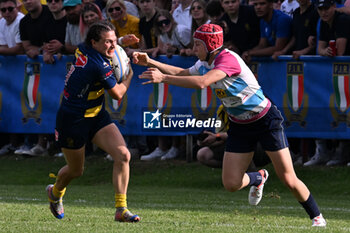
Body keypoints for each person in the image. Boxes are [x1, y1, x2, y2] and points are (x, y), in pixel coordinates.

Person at [133, 23, 326, 227]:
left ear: (210, 45)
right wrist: (150, 62)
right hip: (239, 125)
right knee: (231, 184)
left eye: (197, 44)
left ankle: (317, 217)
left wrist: (162, 78)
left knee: (288, 178)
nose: (193, 48)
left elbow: (201, 83)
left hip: (265, 120)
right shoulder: (205, 61)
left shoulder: (227, 60)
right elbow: (185, 73)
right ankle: (258, 178)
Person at [46, 21, 140, 222]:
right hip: (73, 120)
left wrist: (121, 41)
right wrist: (130, 75)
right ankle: (55, 192)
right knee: (76, 170)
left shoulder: (84, 47)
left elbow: (108, 45)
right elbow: (117, 94)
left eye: (114, 41)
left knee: (123, 154)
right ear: (94, 42)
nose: (113, 46)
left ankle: (121, 209)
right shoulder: (97, 65)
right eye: (108, 42)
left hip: (96, 115)